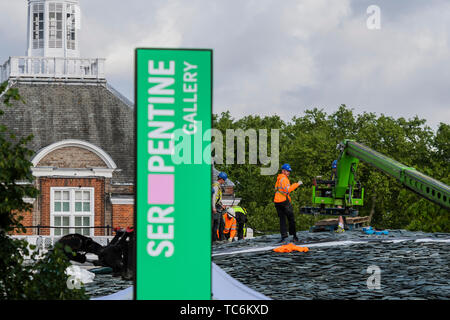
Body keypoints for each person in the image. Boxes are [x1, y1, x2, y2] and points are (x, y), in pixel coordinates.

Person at [273, 163, 303, 242]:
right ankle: (294, 236)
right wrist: (297, 184)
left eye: (289, 171)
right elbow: (288, 189)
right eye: (287, 171)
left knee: (282, 219)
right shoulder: (284, 179)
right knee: (291, 218)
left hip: (277, 201)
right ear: (283, 171)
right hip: (283, 201)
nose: (288, 172)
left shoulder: (279, 178)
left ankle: (284, 237)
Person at [330, 159, 346, 233]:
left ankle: (341, 226)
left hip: (340, 193)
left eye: (335, 168)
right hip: (336, 192)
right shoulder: (333, 174)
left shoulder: (341, 175)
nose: (334, 170)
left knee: (339, 208)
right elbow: (330, 182)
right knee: (339, 209)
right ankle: (341, 225)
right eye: (334, 168)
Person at [212, 171, 227, 241]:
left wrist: (222, 205)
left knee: (222, 223)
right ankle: (215, 239)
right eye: (224, 180)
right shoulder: (216, 186)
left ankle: (221, 238)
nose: (224, 182)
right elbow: (213, 197)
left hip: (218, 206)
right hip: (215, 207)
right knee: (216, 224)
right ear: (222, 179)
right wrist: (213, 208)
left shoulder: (218, 186)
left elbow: (218, 199)